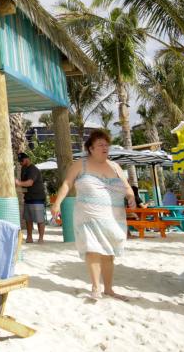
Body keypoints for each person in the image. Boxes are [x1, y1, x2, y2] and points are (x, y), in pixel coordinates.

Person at [52, 129, 135, 301]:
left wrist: (131, 197)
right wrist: (57, 202)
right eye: (100, 145)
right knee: (92, 249)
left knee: (109, 252)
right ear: (90, 148)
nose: (105, 148)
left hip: (113, 216)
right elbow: (67, 183)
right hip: (88, 216)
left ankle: (109, 289)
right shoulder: (80, 164)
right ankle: (96, 287)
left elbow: (127, 187)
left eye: (106, 144)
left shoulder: (115, 166)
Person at [15, 153, 46, 243]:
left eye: (22, 161)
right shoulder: (23, 168)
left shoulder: (33, 169)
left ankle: (41, 239)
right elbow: (23, 183)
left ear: (27, 159)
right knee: (28, 219)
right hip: (28, 197)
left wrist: (18, 183)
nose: (20, 163)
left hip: (37, 197)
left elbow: (29, 183)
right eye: (19, 161)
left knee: (40, 219)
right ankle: (29, 237)